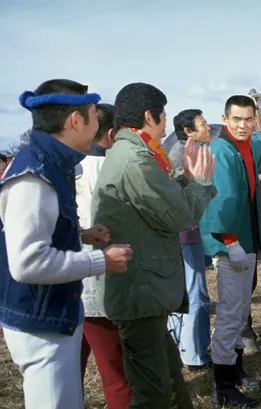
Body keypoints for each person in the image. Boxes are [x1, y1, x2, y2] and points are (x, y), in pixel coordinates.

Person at [0, 79, 133, 409]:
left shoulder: (53, 164)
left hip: (54, 315)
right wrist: (99, 261)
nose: (98, 122)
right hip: (41, 324)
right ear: (75, 120)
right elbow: (27, 262)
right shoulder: (35, 175)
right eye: (93, 114)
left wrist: (81, 235)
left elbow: (42, 230)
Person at [92, 82, 217, 409]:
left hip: (145, 291)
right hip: (140, 293)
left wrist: (187, 180)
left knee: (170, 379)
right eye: (162, 117)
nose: (165, 127)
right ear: (150, 116)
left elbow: (158, 202)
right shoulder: (135, 159)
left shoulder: (132, 154)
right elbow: (179, 215)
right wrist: (201, 182)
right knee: (153, 394)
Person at [200, 96, 261, 407]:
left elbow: (260, 143)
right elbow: (218, 203)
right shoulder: (221, 150)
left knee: (240, 312)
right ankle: (223, 387)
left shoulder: (246, 144)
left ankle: (236, 372)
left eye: (248, 120)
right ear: (224, 119)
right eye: (236, 119)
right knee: (230, 315)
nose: (243, 125)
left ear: (255, 119)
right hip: (231, 244)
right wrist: (230, 242)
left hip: (246, 241)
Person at [76, 103, 132, 408]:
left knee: (70, 368)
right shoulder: (113, 169)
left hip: (68, 282)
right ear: (111, 134)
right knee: (115, 374)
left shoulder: (66, 168)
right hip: (101, 285)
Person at [166, 108, 214, 371]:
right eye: (203, 123)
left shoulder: (181, 150)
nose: (208, 127)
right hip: (187, 233)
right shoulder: (188, 153)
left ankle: (180, 348)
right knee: (196, 292)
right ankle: (195, 354)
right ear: (188, 131)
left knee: (184, 292)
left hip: (184, 233)